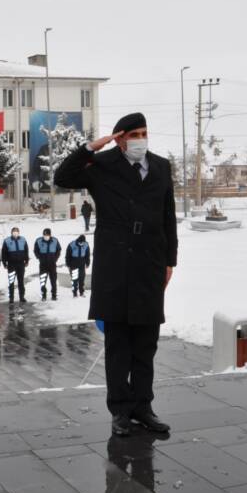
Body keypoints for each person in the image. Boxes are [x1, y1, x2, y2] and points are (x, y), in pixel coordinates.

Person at [55, 111, 177, 437]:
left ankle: (143, 407)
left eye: (144, 133)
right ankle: (120, 410)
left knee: (146, 344)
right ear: (120, 138)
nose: (140, 139)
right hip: (115, 264)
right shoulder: (101, 165)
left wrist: (170, 261)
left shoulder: (161, 166)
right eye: (133, 134)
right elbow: (62, 177)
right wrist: (90, 148)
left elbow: (168, 216)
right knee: (118, 345)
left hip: (150, 264)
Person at [0, 227, 29, 304]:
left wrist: (26, 260)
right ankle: (11, 298)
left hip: (21, 264)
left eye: (16, 231)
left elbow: (26, 251)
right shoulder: (7, 241)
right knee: (11, 282)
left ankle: (22, 297)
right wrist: (4, 263)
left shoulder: (23, 240)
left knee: (21, 281)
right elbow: (3, 253)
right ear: (11, 232)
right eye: (14, 231)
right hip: (11, 265)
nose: (15, 233)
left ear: (18, 232)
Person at [33, 229, 61, 301]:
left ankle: (54, 295)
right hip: (43, 265)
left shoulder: (55, 240)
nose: (46, 236)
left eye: (47, 235)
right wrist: (39, 258)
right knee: (43, 281)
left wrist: (55, 258)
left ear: (50, 235)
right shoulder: (38, 241)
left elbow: (58, 250)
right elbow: (35, 250)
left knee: (53, 281)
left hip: (52, 264)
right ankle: (44, 296)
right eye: (44, 235)